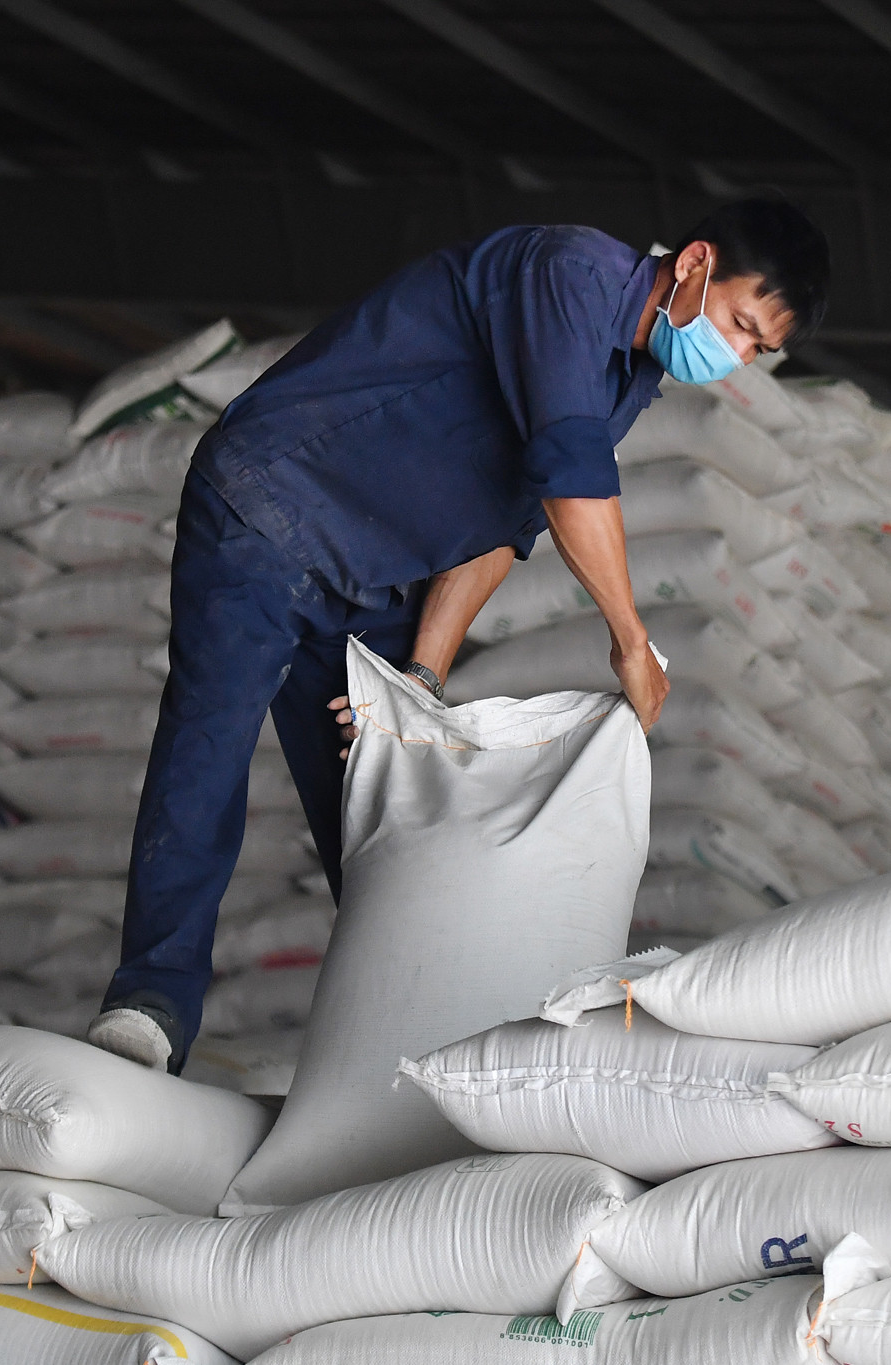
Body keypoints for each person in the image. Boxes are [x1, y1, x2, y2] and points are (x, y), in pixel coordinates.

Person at [85, 198, 831, 1072]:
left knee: (387, 798)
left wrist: (421, 681)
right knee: (210, 741)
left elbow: (500, 530)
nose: (733, 356)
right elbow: (568, 474)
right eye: (738, 325)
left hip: (373, 571)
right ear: (696, 262)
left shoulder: (626, 379)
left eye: (755, 350)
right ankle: (151, 1005)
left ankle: (413, 1048)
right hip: (270, 504)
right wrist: (629, 639)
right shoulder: (569, 275)